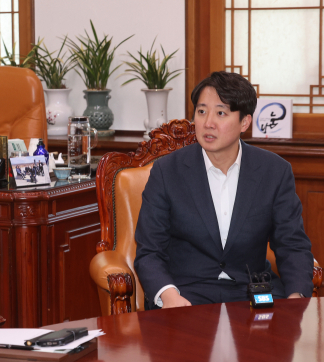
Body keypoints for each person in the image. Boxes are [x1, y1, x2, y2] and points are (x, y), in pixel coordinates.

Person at [134, 71, 313, 310]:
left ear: (245, 122)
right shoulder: (167, 171)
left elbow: (292, 245)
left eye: (221, 113)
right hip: (186, 294)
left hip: (251, 291)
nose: (208, 122)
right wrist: (169, 296)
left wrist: (296, 298)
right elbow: (149, 251)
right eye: (201, 111)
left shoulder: (274, 172)